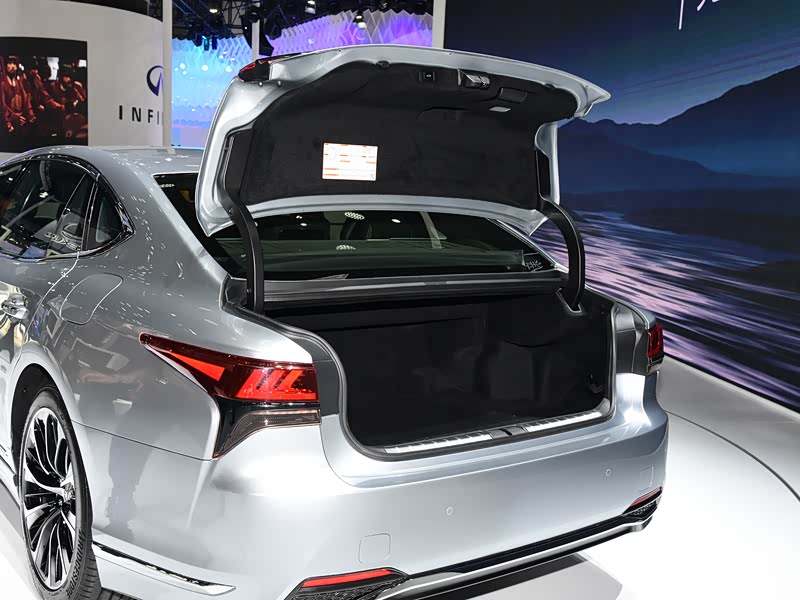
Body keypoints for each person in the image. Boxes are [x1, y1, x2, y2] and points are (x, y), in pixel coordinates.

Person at [0, 56, 35, 133]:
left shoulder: (18, 83)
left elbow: (25, 100)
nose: (13, 66)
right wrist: (11, 118)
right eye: (10, 63)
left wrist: (30, 113)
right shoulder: (2, 83)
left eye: (14, 64)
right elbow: (2, 105)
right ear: (5, 66)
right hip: (9, 122)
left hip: (20, 120)